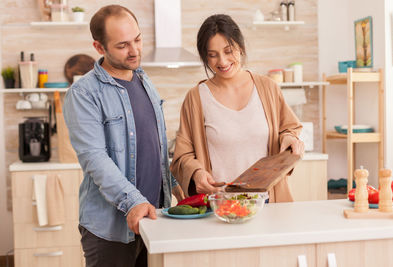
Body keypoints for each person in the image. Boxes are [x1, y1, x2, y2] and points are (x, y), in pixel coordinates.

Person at [63, 5, 184, 267]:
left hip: (154, 219)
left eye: (138, 39)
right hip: (112, 230)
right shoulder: (83, 93)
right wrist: (134, 202)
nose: (135, 50)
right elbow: (94, 158)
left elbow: (155, 148)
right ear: (99, 47)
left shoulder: (144, 80)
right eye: (123, 45)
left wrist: (177, 186)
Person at [170, 14, 304, 202]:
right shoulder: (196, 98)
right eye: (212, 55)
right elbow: (182, 156)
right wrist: (197, 173)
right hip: (220, 204)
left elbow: (288, 128)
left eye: (228, 51)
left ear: (240, 47)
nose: (222, 62)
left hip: (267, 201)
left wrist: (289, 138)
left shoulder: (267, 87)